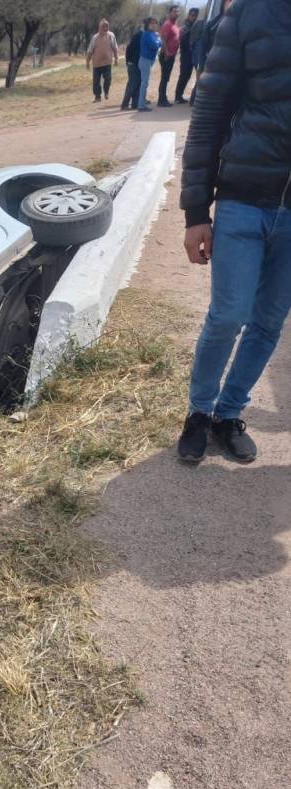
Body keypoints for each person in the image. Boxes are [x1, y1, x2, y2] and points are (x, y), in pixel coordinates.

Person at [177, 0, 291, 464]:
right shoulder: (249, 12)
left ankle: (228, 415)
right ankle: (199, 413)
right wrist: (194, 212)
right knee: (228, 315)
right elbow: (209, 116)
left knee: (268, 321)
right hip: (244, 196)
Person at [86, 20, 119, 103]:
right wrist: (87, 62)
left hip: (107, 63)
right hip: (97, 64)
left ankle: (106, 91)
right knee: (96, 82)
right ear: (99, 28)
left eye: (106, 26)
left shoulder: (111, 36)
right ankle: (97, 96)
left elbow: (115, 48)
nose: (105, 28)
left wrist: (116, 59)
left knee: (108, 79)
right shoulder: (95, 38)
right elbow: (90, 51)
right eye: (103, 26)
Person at [174, 7, 200, 104]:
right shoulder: (185, 27)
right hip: (185, 54)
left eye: (195, 16)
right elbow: (183, 41)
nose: (194, 17)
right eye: (192, 15)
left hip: (192, 54)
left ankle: (179, 95)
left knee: (188, 75)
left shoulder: (196, 26)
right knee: (184, 75)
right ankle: (178, 96)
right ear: (189, 16)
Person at [157, 5, 181, 107]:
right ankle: (161, 100)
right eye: (174, 11)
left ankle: (163, 98)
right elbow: (163, 39)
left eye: (177, 12)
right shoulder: (167, 24)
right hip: (166, 55)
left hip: (172, 55)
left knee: (166, 78)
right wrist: (167, 52)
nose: (176, 13)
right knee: (164, 78)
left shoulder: (175, 25)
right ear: (170, 13)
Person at [137, 18, 162, 112]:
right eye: (152, 23)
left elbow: (160, 44)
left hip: (149, 60)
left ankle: (141, 103)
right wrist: (158, 40)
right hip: (145, 60)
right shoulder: (147, 34)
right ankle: (141, 105)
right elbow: (155, 45)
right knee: (145, 83)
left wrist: (158, 41)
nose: (154, 25)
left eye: (155, 23)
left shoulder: (153, 34)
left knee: (145, 82)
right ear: (147, 24)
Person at [121, 20, 145, 111]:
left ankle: (135, 104)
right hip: (134, 64)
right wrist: (128, 62)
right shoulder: (139, 35)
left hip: (139, 64)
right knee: (132, 85)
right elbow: (129, 48)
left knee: (138, 84)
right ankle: (124, 104)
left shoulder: (145, 36)